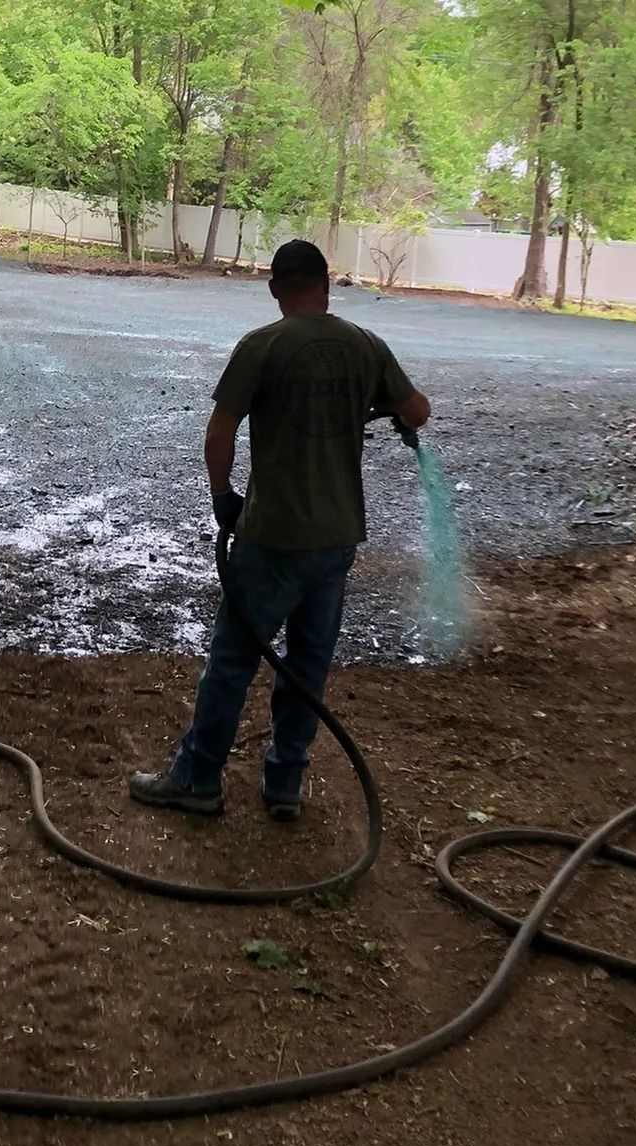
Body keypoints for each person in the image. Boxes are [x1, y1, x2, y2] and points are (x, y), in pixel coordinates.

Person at [130, 238, 430, 821]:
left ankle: (198, 779)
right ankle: (285, 784)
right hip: (338, 538)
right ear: (326, 284)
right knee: (307, 663)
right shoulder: (366, 346)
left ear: (275, 291)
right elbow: (417, 410)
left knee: (235, 658)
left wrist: (223, 500)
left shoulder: (261, 346)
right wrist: (382, 403)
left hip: (272, 538)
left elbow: (219, 435)